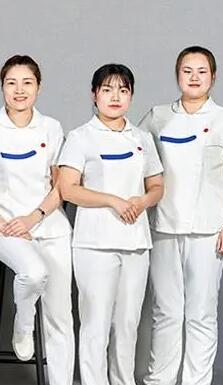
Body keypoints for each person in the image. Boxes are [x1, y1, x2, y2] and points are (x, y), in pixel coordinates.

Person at [140, 46, 223, 385]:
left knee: (201, 314)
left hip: (208, 230)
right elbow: (134, 157)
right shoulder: (157, 116)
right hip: (162, 227)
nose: (194, 77)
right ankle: (160, 380)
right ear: (177, 75)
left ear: (213, 77)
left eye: (202, 71)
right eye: (187, 71)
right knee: (165, 312)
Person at [57, 63, 164, 385]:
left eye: (123, 90)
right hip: (95, 245)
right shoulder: (80, 137)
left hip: (136, 244)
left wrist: (142, 201)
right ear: (94, 95)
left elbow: (157, 186)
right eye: (107, 90)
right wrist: (113, 200)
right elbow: (68, 189)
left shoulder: (142, 138)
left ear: (131, 95)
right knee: (96, 325)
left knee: (127, 325)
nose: (115, 97)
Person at [0, 55, 75, 385]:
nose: (19, 90)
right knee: (33, 273)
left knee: (60, 316)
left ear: (39, 87)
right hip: (6, 227)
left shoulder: (51, 128)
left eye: (27, 82)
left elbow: (61, 187)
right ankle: (24, 323)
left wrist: (34, 217)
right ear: (2, 87)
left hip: (48, 224)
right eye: (11, 83)